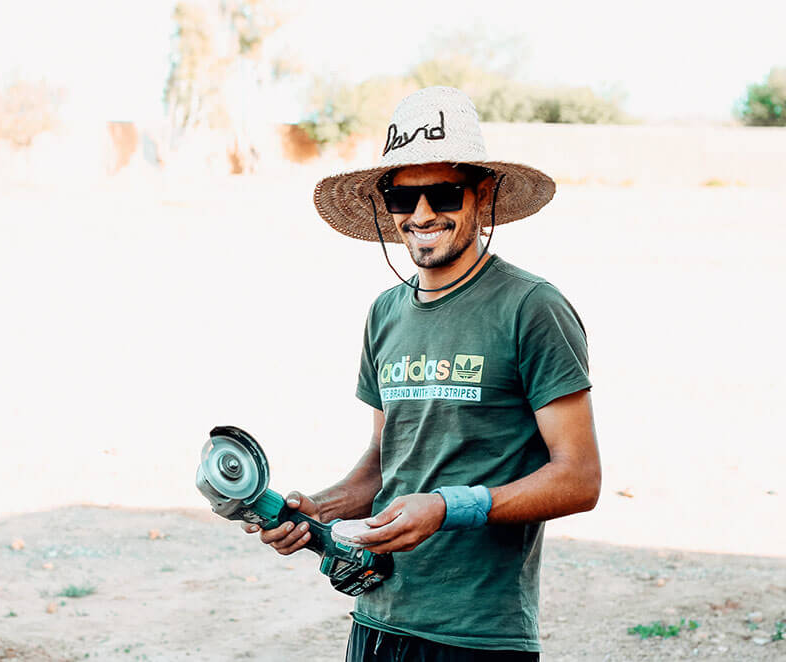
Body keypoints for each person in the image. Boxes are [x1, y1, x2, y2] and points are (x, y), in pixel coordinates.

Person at [242, 87, 601, 661]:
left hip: (477, 635)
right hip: (378, 617)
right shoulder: (385, 312)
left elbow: (579, 479)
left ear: (483, 196)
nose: (422, 215)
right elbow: (386, 462)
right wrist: (319, 509)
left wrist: (447, 506)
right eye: (403, 197)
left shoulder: (531, 307)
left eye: (443, 193)